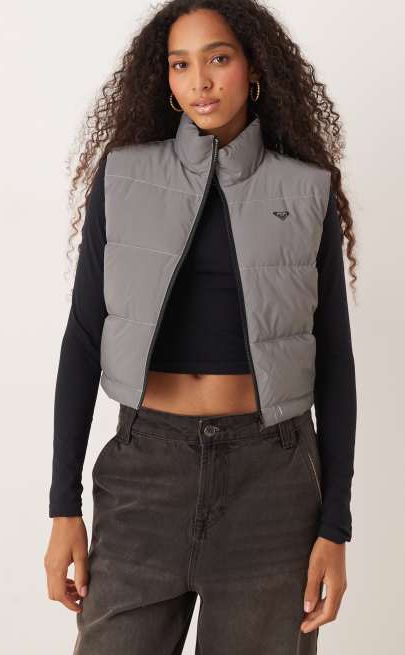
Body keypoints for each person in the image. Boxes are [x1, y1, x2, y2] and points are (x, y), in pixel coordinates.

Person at [44, 1, 357, 653]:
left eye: (217, 58)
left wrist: (335, 526)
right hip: (145, 471)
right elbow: (82, 337)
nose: (200, 81)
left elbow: (333, 358)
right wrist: (62, 506)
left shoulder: (305, 190)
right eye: (180, 64)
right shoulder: (124, 176)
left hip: (272, 481)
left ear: (254, 68)